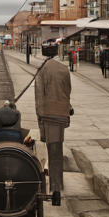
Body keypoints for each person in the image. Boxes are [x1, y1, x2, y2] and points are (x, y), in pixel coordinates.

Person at [35, 55, 72, 192]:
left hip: (49, 115)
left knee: (53, 150)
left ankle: (56, 186)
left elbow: (39, 98)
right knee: (57, 148)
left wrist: (40, 120)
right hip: (62, 113)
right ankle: (57, 183)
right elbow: (67, 90)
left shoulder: (42, 70)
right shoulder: (64, 69)